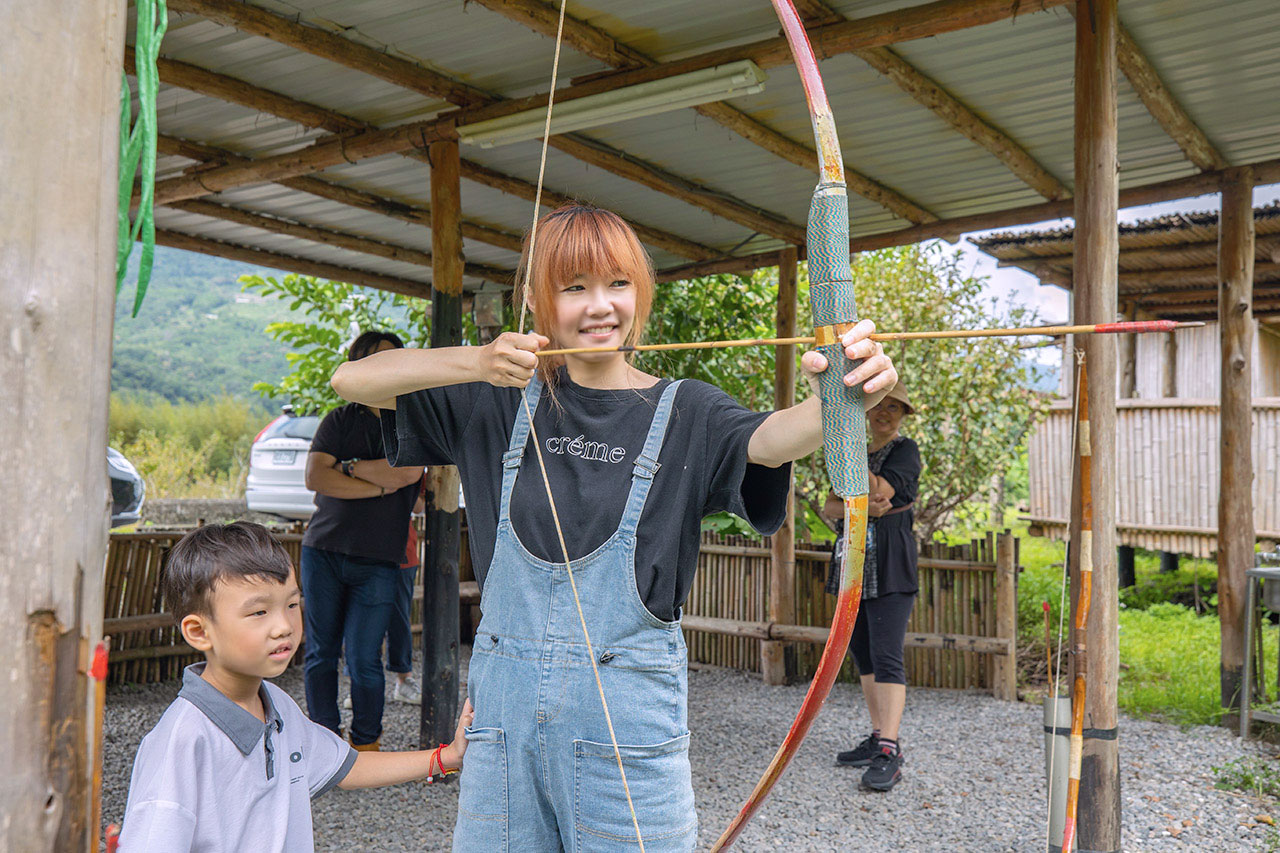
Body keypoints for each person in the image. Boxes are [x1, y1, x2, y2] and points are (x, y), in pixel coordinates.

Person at [330, 204, 898, 850]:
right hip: (502, 740)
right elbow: (352, 379)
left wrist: (840, 400)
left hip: (627, 738)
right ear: (542, 300)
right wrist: (478, 361)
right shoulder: (497, 397)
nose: (600, 305)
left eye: (617, 284)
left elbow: (772, 439)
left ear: (640, 293)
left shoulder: (687, 410)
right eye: (574, 287)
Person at [117, 521, 472, 853]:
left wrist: (446, 757)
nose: (284, 626)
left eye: (291, 604)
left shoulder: (278, 706)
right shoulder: (182, 741)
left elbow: (347, 768)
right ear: (199, 631)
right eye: (259, 613)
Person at [302, 331, 424, 751]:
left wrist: (346, 470)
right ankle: (323, 742)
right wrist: (374, 483)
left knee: (364, 660)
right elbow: (316, 477)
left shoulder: (412, 424)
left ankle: (366, 745)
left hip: (379, 558)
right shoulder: (338, 420)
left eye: (396, 361)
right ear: (358, 369)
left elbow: (406, 474)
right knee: (320, 654)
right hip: (322, 551)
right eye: (378, 362)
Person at [825, 381, 921, 792]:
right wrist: (863, 498)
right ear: (868, 411)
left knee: (887, 655)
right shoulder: (861, 456)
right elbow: (831, 506)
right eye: (880, 405)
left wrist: (852, 463)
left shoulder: (905, 451)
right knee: (863, 652)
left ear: (901, 416)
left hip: (891, 564)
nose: (885, 413)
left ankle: (890, 748)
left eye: (894, 408)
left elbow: (883, 490)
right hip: (855, 561)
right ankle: (877, 735)